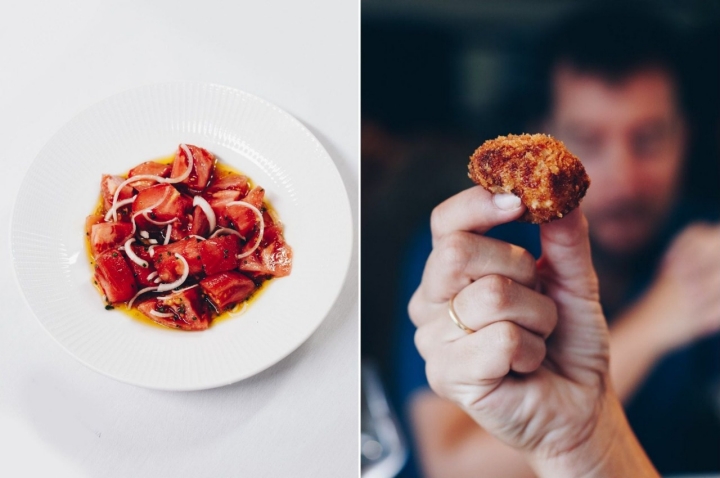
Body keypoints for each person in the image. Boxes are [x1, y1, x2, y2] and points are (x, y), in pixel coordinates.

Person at [397, 6, 720, 477]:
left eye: (649, 140)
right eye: (588, 141)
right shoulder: (469, 250)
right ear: (543, 136)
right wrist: (657, 321)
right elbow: (450, 465)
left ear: (686, 136)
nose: (625, 180)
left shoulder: (703, 245)